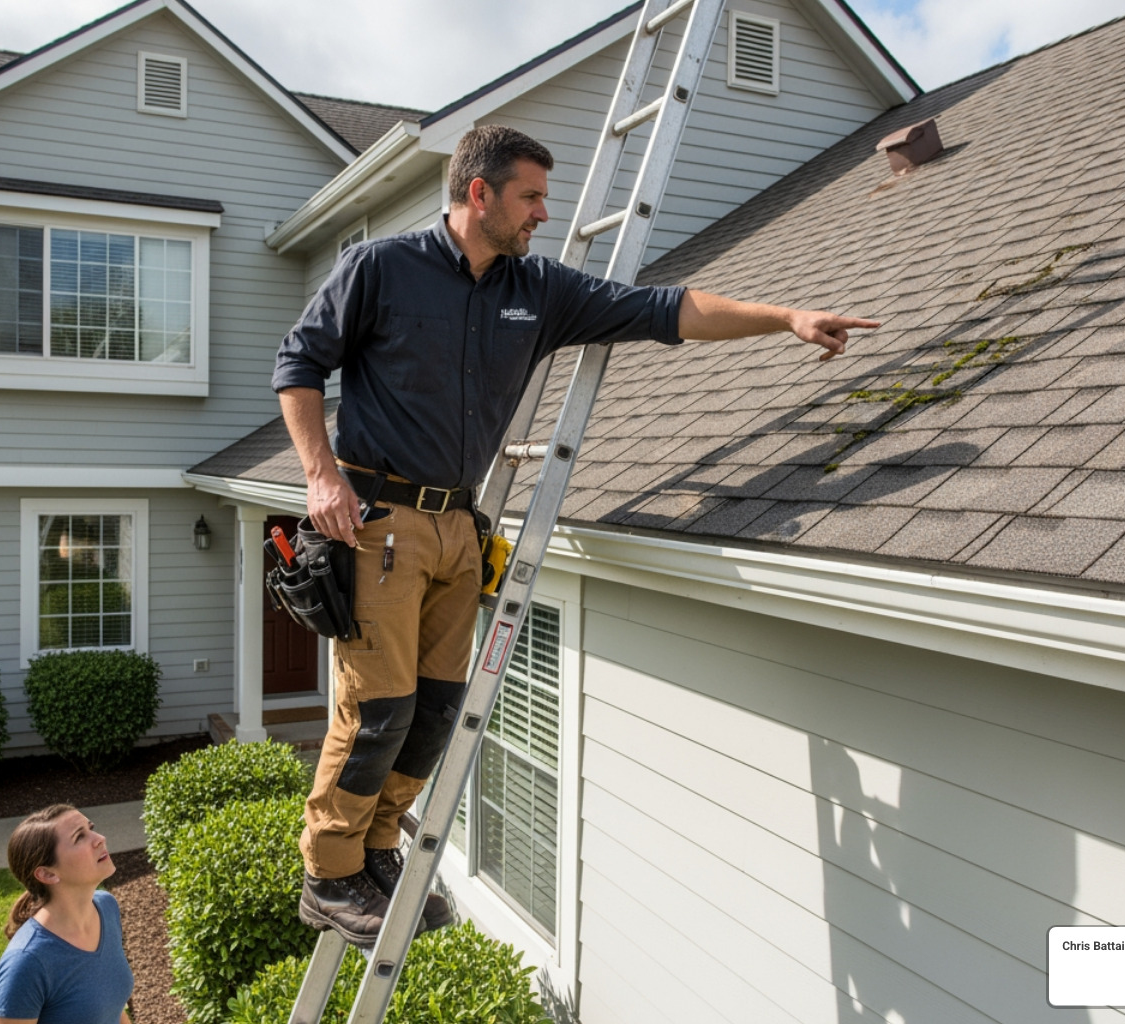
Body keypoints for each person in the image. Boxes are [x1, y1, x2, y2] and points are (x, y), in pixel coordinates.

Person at [272, 124, 879, 947]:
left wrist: (787, 317)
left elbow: (668, 312)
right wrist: (319, 474)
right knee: (378, 708)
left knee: (436, 710)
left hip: (459, 524)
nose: (543, 215)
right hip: (379, 523)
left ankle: (377, 849)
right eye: (530, 196)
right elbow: (298, 363)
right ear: (478, 193)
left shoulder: (538, 289)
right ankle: (328, 873)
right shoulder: (380, 268)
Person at [0, 804, 133, 1024]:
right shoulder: (26, 963)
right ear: (47, 873)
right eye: (79, 837)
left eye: (91, 828)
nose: (100, 838)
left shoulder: (106, 908)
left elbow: (112, 1010)